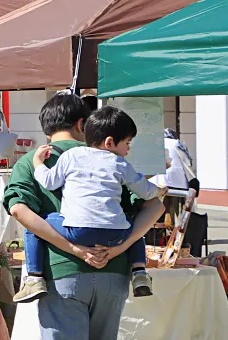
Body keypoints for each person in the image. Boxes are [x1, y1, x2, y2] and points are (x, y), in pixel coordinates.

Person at [2, 93, 165, 340]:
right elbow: (150, 204)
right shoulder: (111, 159)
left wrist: (73, 249)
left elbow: (20, 211)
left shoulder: (38, 160)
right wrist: (121, 245)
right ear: (82, 125)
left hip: (62, 277)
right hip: (113, 275)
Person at [18, 105, 162, 302]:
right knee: (133, 223)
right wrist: (160, 190)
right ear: (110, 142)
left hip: (77, 230)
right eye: (127, 144)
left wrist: (38, 163)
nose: (128, 150)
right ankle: (139, 272)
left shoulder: (71, 156)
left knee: (35, 224)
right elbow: (145, 191)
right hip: (115, 234)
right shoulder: (119, 163)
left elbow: (50, 182)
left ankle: (34, 278)